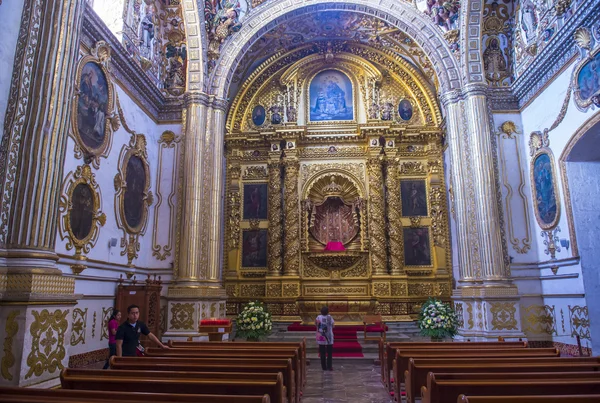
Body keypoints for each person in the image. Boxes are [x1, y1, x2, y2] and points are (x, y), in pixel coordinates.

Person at [315, 306, 334, 371]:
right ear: (327, 312)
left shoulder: (318, 317)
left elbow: (316, 324)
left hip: (321, 336)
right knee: (329, 352)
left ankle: (324, 367)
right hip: (328, 336)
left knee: (322, 352)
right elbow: (333, 325)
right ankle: (329, 366)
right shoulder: (329, 317)